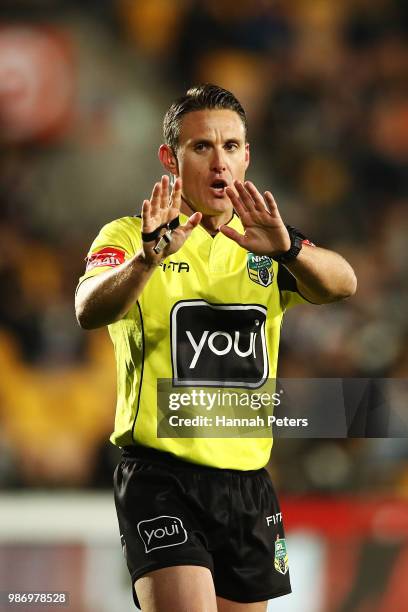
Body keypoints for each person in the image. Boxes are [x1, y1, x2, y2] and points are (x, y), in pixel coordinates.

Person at [75, 84, 357, 612]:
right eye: (201, 146)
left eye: (231, 146)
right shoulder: (130, 236)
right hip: (161, 477)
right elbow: (89, 308)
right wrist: (145, 262)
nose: (219, 160)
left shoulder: (267, 242)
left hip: (247, 484)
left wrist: (291, 249)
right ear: (170, 157)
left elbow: (343, 284)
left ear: (246, 156)